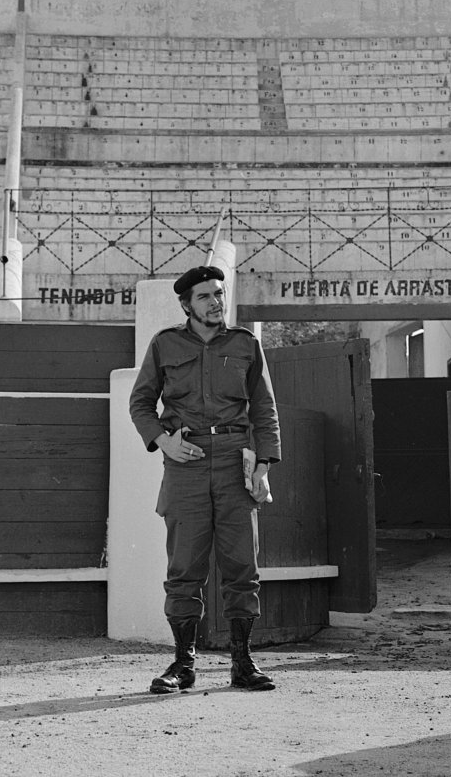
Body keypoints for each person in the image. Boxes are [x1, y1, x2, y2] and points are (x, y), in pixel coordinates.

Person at [129, 265, 281, 694]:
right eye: (205, 296)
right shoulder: (165, 344)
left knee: (242, 567)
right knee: (184, 568)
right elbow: (140, 403)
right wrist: (162, 441)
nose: (216, 302)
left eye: (219, 293)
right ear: (186, 304)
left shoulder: (246, 344)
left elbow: (265, 409)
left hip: (236, 462)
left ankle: (242, 663)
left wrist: (263, 465)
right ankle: (182, 665)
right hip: (186, 463)